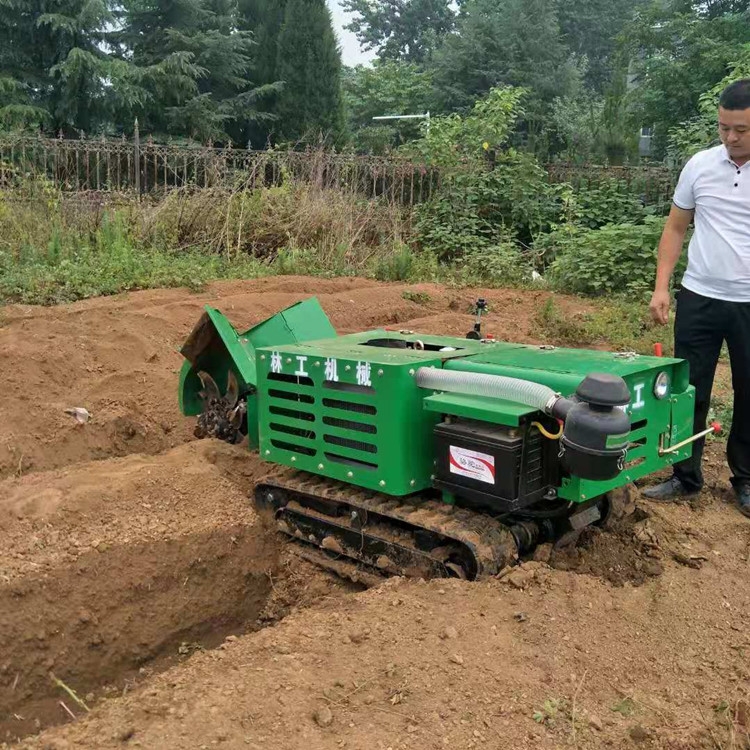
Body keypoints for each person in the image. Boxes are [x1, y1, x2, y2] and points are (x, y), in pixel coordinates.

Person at [643, 78, 750, 517]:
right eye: (724, 127)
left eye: (741, 129)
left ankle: (745, 479)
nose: (730, 138)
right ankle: (684, 474)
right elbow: (674, 228)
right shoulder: (699, 166)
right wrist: (661, 285)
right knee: (688, 390)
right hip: (700, 297)